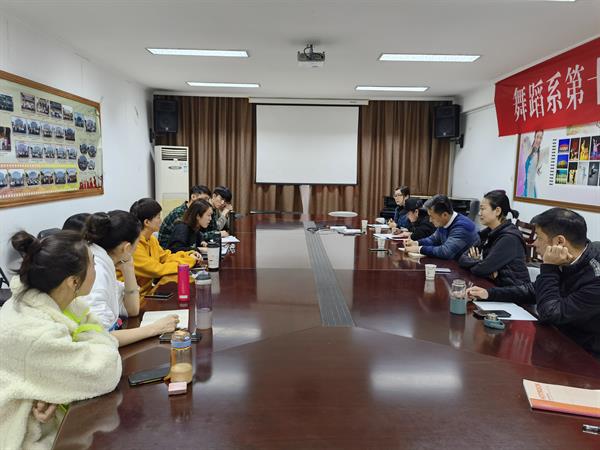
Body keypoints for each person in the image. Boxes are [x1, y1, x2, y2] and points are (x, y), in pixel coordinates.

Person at [0, 231, 121, 450]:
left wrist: (53, 388)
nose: (96, 269)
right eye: (93, 264)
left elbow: (94, 333)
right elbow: (104, 370)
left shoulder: (50, 300)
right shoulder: (36, 334)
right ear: (73, 281)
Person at [467, 208, 600, 358]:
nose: (534, 243)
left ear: (559, 241)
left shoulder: (595, 277)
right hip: (557, 342)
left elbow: (550, 314)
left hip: (585, 357)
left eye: (539, 237)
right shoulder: (567, 257)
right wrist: (489, 293)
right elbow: (533, 290)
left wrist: (549, 267)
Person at [82, 211, 180, 345]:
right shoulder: (96, 270)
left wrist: (128, 266)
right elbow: (100, 338)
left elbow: (132, 310)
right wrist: (156, 328)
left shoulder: (105, 261)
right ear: (127, 247)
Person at [129, 198, 200, 297]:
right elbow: (157, 269)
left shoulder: (151, 239)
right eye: (158, 217)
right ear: (147, 222)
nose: (161, 220)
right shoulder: (134, 246)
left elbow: (165, 257)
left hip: (148, 292)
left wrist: (187, 254)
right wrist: (189, 262)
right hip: (136, 298)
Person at [458, 190, 530, 287]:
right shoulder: (488, 232)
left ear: (497, 211)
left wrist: (480, 264)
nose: (479, 213)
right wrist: (481, 264)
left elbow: (481, 269)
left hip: (513, 292)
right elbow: (462, 259)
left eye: (483, 209)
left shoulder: (509, 238)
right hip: (495, 286)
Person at [404, 194, 478, 260]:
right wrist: (416, 243)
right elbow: (433, 239)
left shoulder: (462, 226)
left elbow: (446, 252)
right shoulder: (444, 222)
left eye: (432, 217)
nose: (430, 220)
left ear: (444, 215)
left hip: (463, 268)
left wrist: (419, 249)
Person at [523, 130, 543, 198]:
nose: (539, 140)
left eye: (541, 138)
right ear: (534, 137)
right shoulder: (528, 148)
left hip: (530, 188)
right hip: (523, 185)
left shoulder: (539, 155)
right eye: (537, 137)